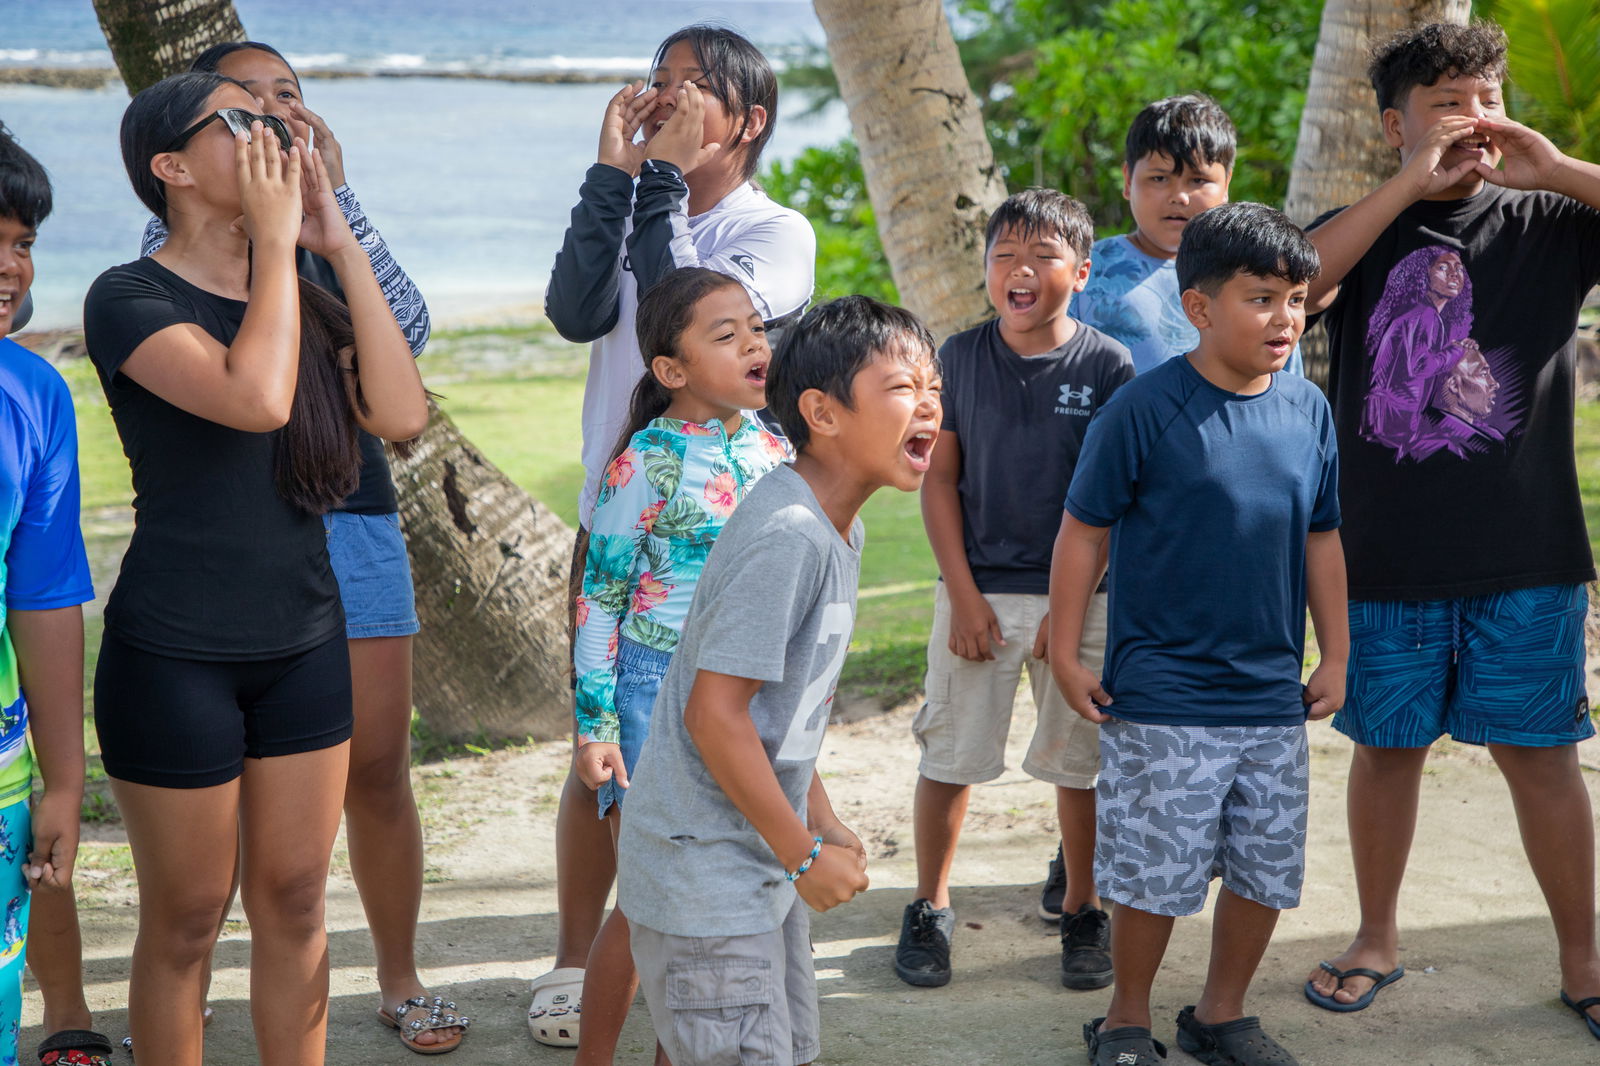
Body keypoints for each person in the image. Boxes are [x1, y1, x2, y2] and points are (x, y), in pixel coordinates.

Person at [82, 72, 428, 1066]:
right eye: (240, 123)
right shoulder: (128, 296)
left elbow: (400, 417)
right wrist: (277, 247)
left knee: (296, 902)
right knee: (188, 919)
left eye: (274, 120)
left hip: (303, 642)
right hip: (175, 651)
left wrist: (335, 241)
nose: (270, 135)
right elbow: (255, 398)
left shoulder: (301, 292)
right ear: (172, 167)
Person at [1298, 21, 1600, 1042]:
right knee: (1386, 749)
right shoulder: (1364, 225)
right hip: (1383, 559)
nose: (1472, 119)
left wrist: (1555, 167)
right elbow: (1294, 289)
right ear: (1394, 124)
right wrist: (1403, 189)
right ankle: (1374, 936)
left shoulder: (1552, 221)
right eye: (1444, 104)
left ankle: (1583, 960)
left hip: (1527, 552)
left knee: (1541, 754)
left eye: (1484, 96)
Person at [535, 22, 815, 1046]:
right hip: (620, 512)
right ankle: (579, 960)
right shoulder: (636, 196)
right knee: (598, 757)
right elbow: (574, 311)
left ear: (746, 120)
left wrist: (653, 183)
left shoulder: (772, 232)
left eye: (688, 89)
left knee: (720, 763)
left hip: (721, 540)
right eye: (656, 82)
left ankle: (659, 963)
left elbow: (674, 300)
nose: (662, 98)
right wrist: (610, 175)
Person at [1052, 202, 1346, 1066]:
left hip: (1270, 698)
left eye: (1297, 298)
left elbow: (1322, 535)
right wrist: (1067, 652)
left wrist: (1338, 651)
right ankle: (1127, 1020)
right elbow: (1083, 530)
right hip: (1164, 696)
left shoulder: (1309, 411)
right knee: (1153, 875)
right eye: (1261, 297)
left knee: (1264, 870)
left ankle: (1221, 1014)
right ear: (1201, 307)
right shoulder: (1145, 409)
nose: (1285, 317)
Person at [617, 294, 939, 1066]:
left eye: (933, 388)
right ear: (821, 414)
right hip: (710, 876)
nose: (928, 405)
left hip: (756, 866)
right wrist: (801, 852)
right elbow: (714, 715)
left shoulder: (838, 526)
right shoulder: (790, 535)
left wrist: (816, 818)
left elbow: (781, 711)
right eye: (902, 388)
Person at [893, 188, 1132, 991]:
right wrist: (961, 597)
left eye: (1042, 257)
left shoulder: (1108, 364)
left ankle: (1084, 909)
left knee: (1081, 765)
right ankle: (929, 906)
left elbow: (1108, 504)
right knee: (951, 756)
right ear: (986, 270)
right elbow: (938, 481)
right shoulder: (956, 358)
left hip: (1084, 601)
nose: (1020, 272)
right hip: (981, 598)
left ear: (1083, 271)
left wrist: (1068, 619)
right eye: (1004, 257)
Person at [569, 266, 789, 1066]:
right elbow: (600, 601)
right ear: (672, 371)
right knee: (653, 903)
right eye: (726, 335)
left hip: (747, 695)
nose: (755, 344)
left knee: (713, 901)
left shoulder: (776, 447)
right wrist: (593, 725)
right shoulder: (645, 462)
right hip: (651, 693)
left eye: (757, 329)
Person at [0, 126, 95, 1066]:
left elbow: (45, 595)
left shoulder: (33, 393)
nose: (9, 267)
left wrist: (62, 780)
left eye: (21, 244)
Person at [1072, 94, 1306, 381]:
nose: (1179, 197)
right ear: (1128, 180)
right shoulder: (1082, 274)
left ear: (1226, 184)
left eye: (1198, 180)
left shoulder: (1258, 272)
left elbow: (1286, 386)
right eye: (1159, 178)